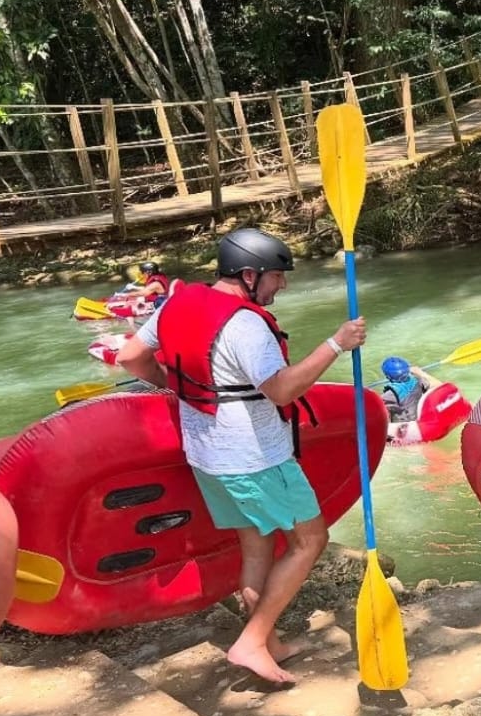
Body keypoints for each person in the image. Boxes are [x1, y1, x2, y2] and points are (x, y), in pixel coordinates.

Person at [116, 226, 365, 685]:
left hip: (208, 455)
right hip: (255, 458)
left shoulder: (178, 302)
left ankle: (267, 643)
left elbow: (130, 357)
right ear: (249, 275)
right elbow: (282, 388)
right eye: (276, 276)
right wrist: (337, 343)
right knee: (311, 542)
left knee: (256, 546)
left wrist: (178, 386)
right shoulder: (247, 324)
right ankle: (251, 641)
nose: (282, 285)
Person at [379, 356, 443, 425]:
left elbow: (382, 416)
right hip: (421, 421)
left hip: (405, 427)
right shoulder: (418, 379)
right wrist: (420, 372)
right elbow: (439, 386)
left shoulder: (389, 396)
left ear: (387, 377)